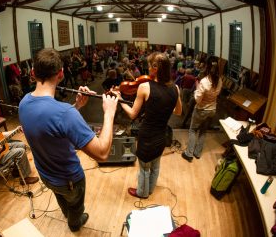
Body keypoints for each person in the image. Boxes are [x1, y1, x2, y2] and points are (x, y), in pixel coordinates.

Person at [18, 48, 118, 232]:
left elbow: (49, 125)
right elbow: (102, 153)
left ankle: (68, 214)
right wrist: (109, 113)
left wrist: (77, 106)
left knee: (61, 198)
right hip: (70, 180)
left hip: (46, 175)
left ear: (33, 73)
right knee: (75, 206)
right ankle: (74, 223)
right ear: (61, 74)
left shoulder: (23, 103)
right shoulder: (65, 113)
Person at [114, 52, 182, 199]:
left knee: (144, 168)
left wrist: (120, 99)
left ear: (156, 68)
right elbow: (178, 111)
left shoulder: (145, 87)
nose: (148, 68)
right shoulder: (175, 88)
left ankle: (142, 192)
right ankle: (150, 189)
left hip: (147, 136)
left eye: (150, 65)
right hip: (161, 135)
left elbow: (133, 114)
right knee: (156, 166)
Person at [181, 56, 222, 162]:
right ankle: (197, 153)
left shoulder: (204, 81)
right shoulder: (220, 81)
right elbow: (216, 94)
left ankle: (189, 153)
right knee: (203, 131)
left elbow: (198, 99)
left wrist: (197, 87)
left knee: (193, 130)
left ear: (207, 67)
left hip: (201, 110)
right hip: (212, 109)